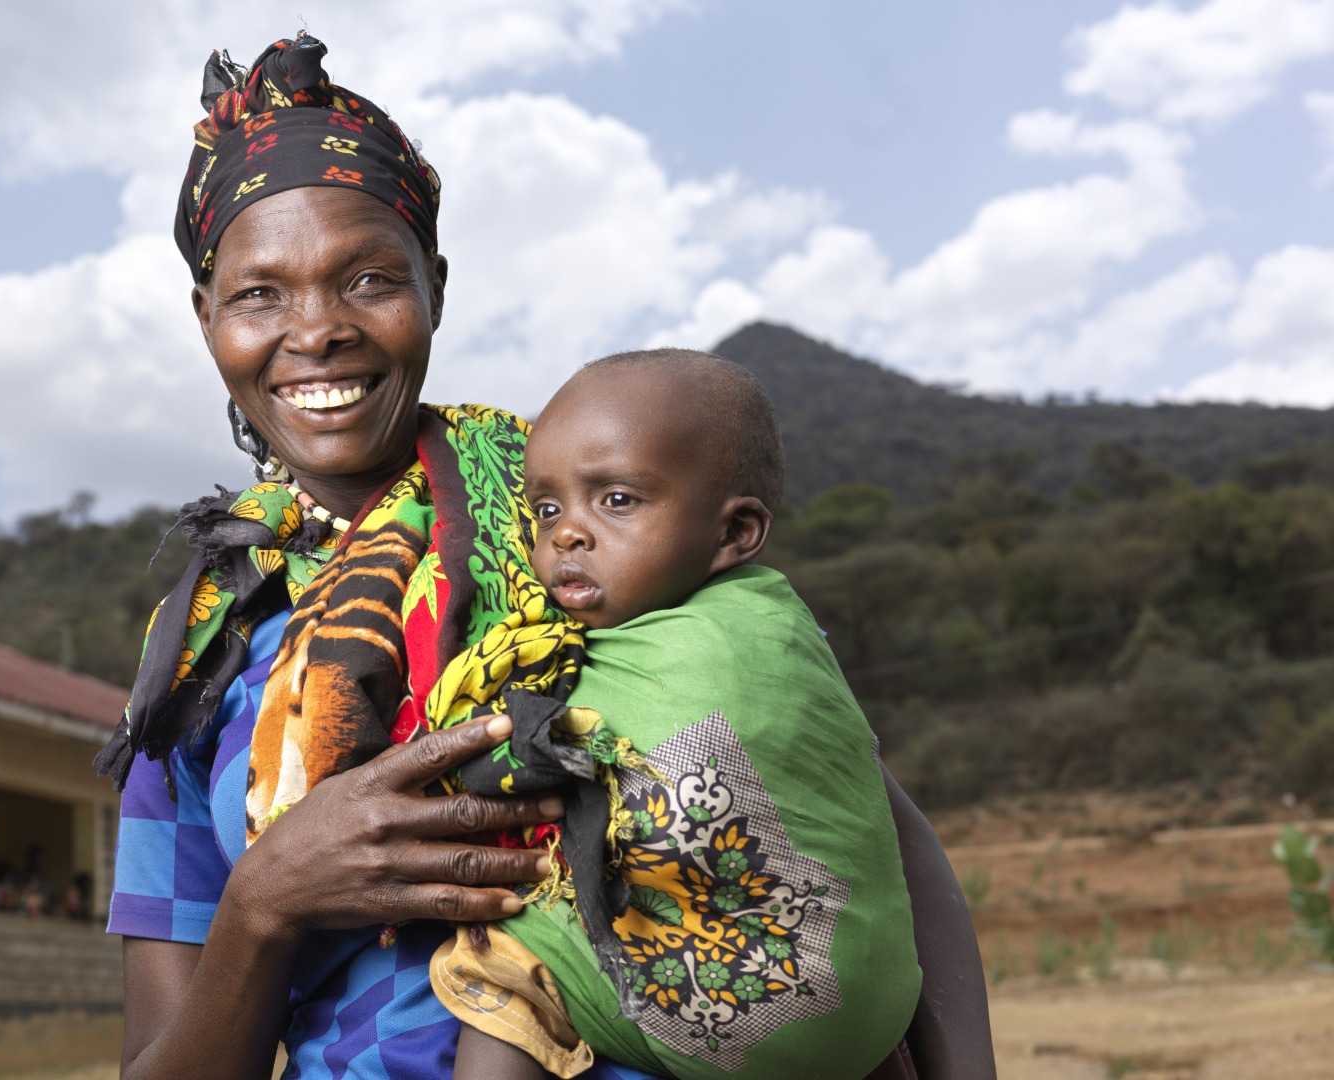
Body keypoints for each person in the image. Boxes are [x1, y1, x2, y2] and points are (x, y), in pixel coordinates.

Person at [97, 33, 993, 1080]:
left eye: (369, 279)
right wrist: (263, 906)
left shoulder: (599, 526)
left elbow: (879, 838)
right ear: (207, 318)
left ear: (433, 284)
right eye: (260, 295)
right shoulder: (197, 660)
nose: (318, 330)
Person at [432, 351, 919, 1079]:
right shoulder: (773, 629)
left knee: (499, 969)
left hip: (783, 998)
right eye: (546, 508)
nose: (566, 534)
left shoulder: (752, 640)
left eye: (617, 501)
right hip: (866, 1021)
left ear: (734, 534)